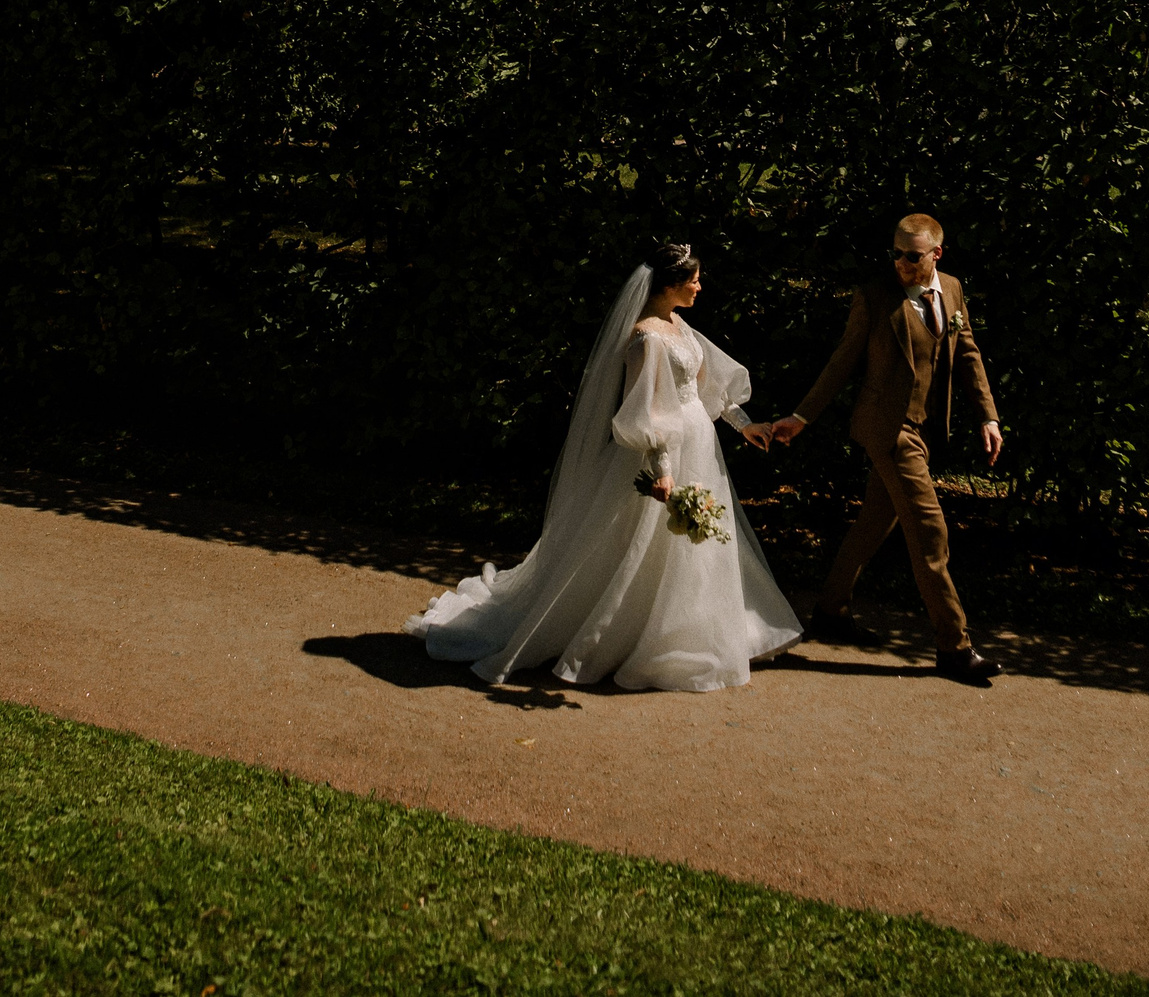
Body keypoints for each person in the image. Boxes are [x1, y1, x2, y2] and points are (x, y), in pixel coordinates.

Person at [408, 241, 802, 691]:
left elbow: (705, 383)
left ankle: (698, 629)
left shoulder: (678, 325)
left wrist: (744, 424)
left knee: (695, 543)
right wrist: (662, 468)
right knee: (639, 544)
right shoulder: (646, 338)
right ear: (669, 284)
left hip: (700, 444)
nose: (699, 286)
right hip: (668, 452)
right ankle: (633, 634)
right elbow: (646, 412)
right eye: (692, 279)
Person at [769, 213, 1005, 683]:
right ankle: (954, 647)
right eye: (895, 252)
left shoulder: (953, 290)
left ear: (936, 254)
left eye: (911, 255)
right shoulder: (875, 298)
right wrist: (801, 417)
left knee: (874, 522)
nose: (900, 262)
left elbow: (968, 351)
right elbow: (842, 361)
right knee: (930, 531)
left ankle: (831, 612)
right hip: (888, 430)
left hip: (924, 430)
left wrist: (988, 415)